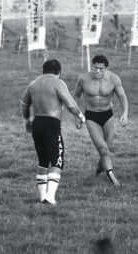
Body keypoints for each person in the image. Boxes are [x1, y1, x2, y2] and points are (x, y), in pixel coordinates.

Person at [20, 59, 86, 205]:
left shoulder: (33, 84)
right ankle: (50, 197)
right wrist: (80, 116)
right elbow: (70, 103)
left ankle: (43, 197)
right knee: (57, 159)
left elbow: (24, 104)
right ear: (59, 72)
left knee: (43, 160)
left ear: (43, 70)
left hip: (37, 123)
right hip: (52, 124)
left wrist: (27, 120)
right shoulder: (58, 83)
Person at [74, 54, 129, 187]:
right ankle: (113, 179)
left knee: (107, 148)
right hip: (91, 116)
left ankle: (100, 166)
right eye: (95, 68)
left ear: (106, 69)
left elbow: (122, 97)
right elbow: (76, 96)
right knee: (103, 149)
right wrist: (77, 115)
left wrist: (125, 113)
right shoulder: (83, 79)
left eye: (101, 69)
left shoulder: (113, 79)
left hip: (108, 115)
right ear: (91, 66)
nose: (97, 71)